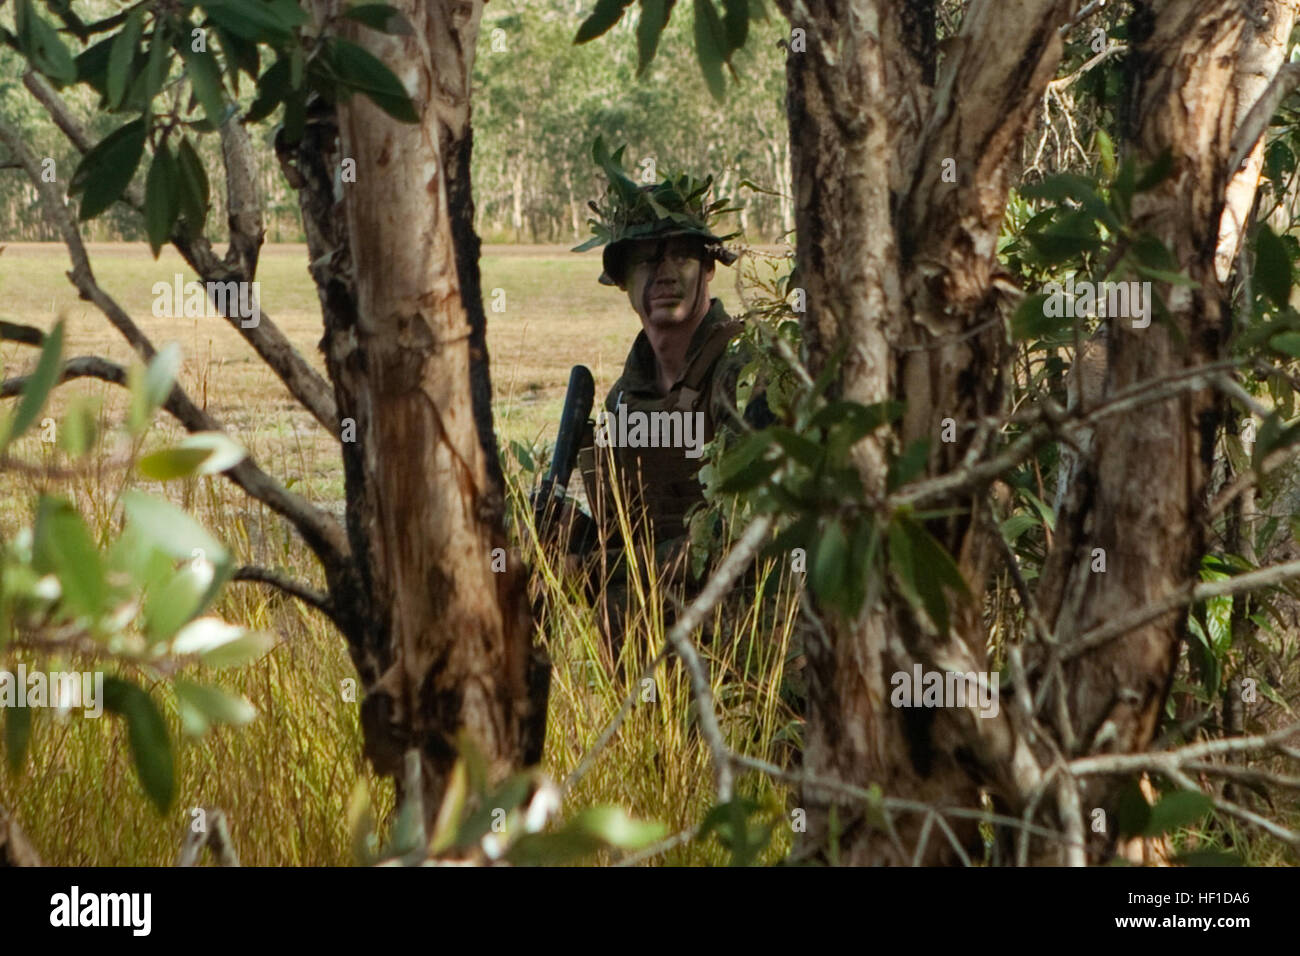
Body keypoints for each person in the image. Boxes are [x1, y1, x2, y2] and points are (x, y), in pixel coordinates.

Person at [555, 141, 772, 649]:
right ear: (622, 280)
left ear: (709, 268)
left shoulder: (743, 372)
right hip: (654, 641)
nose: (664, 273)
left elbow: (748, 531)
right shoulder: (624, 400)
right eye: (645, 260)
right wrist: (569, 536)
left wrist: (604, 567)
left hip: (747, 636)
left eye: (680, 254)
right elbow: (628, 528)